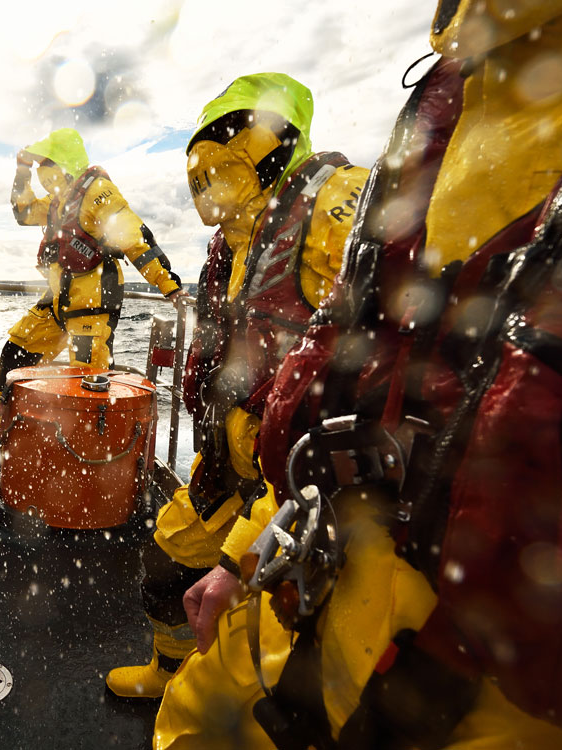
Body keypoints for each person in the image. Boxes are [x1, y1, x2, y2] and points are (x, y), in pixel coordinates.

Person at [157, 0, 562, 748]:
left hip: (519, 670)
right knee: (190, 717)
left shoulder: (334, 198)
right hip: (324, 568)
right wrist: (249, 553)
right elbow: (359, 354)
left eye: (229, 145)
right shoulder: (448, 108)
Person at [105, 73, 369, 700]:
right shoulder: (234, 242)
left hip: (300, 481)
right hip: (229, 461)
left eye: (225, 150)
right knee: (163, 565)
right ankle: (172, 678)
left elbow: (386, 349)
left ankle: (220, 701)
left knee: (284, 636)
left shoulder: (339, 202)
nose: (207, 179)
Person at [0, 128, 186, 456]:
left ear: (62, 163)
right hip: (58, 300)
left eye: (44, 164)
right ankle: (2, 437)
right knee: (15, 355)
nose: (41, 171)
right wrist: (20, 171)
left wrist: (170, 286)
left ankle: (85, 461)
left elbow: (135, 237)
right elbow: (22, 212)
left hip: (93, 304)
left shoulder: (98, 191)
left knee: (86, 385)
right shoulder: (58, 201)